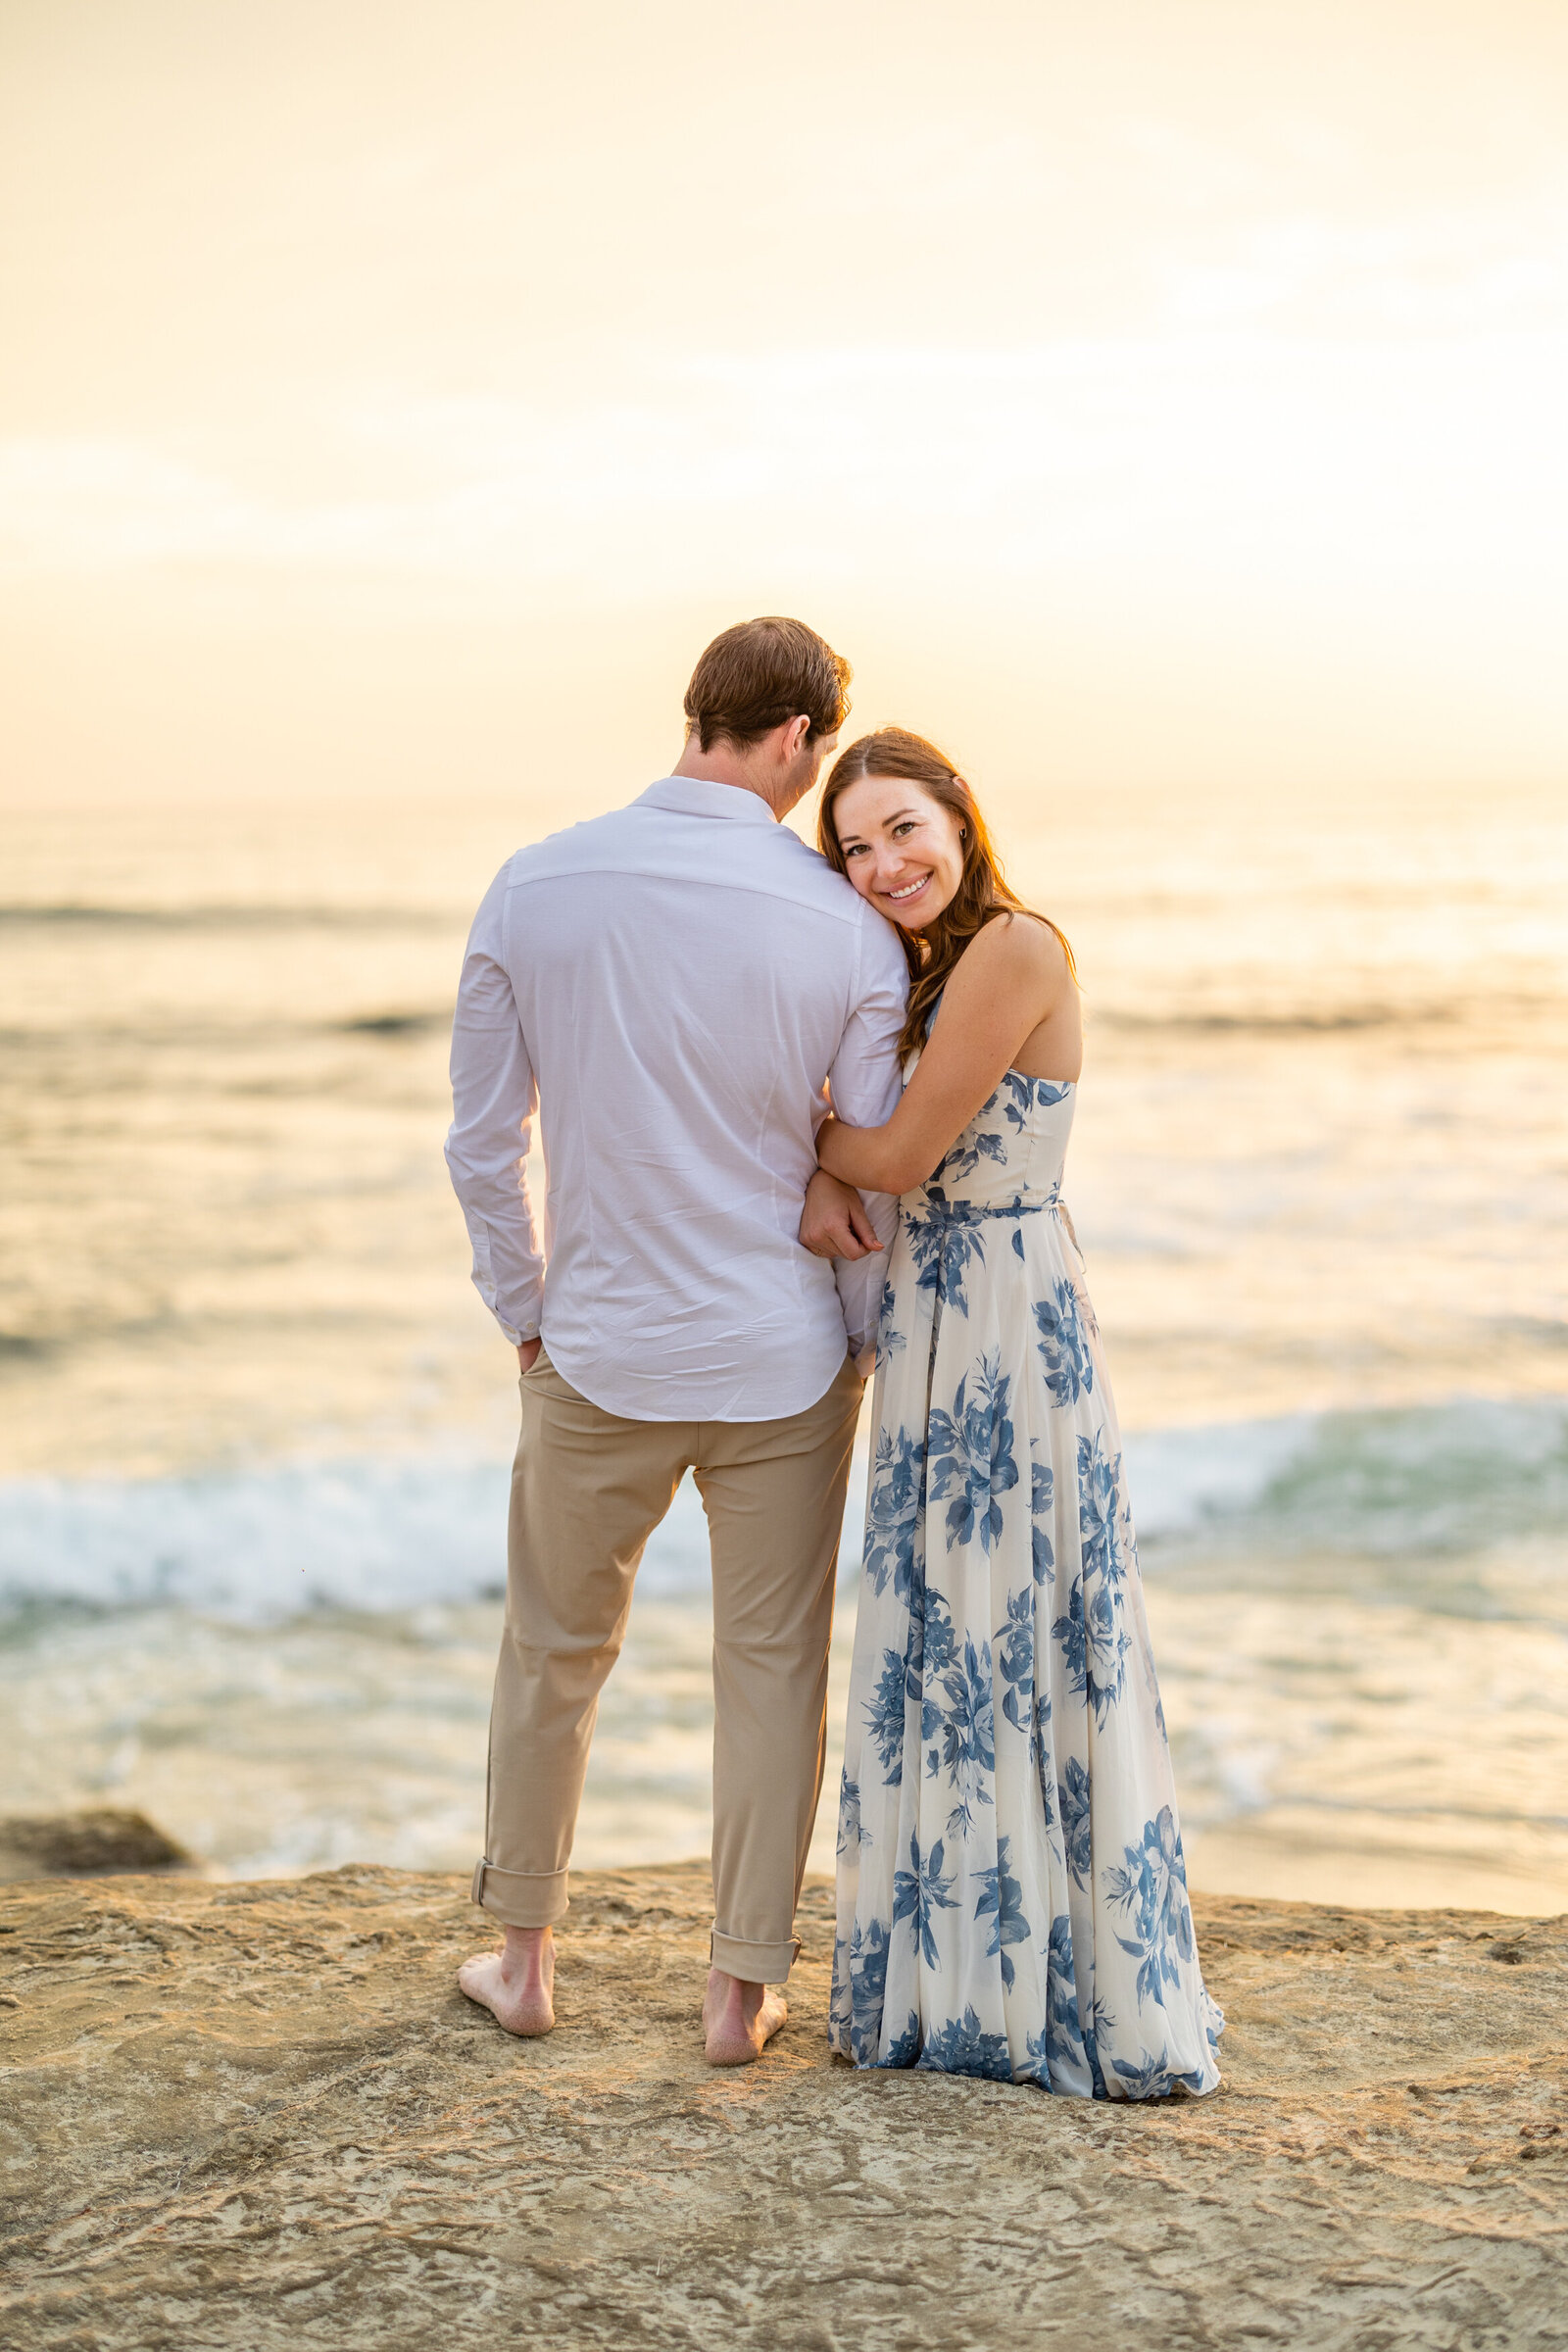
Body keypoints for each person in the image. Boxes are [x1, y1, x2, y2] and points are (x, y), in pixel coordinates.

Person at [444, 618, 907, 2064]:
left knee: (552, 1651)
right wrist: (855, 1344)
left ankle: (524, 1962)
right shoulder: (847, 925)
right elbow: (872, 1174)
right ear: (795, 743)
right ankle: (739, 1992)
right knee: (770, 1666)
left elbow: (480, 1144)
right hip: (779, 1358)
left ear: (697, 713)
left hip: (602, 1349)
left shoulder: (534, 883)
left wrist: (527, 1313)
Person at [808, 727, 1224, 2097]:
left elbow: (906, 1154)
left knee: (1024, 1626)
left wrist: (798, 1130)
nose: (883, 865)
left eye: (902, 829)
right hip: (941, 1314)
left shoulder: (1014, 948)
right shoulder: (924, 963)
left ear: (959, 818)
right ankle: (956, 1974)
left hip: (998, 1314)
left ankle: (1034, 1993)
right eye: (854, 848)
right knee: (952, 1625)